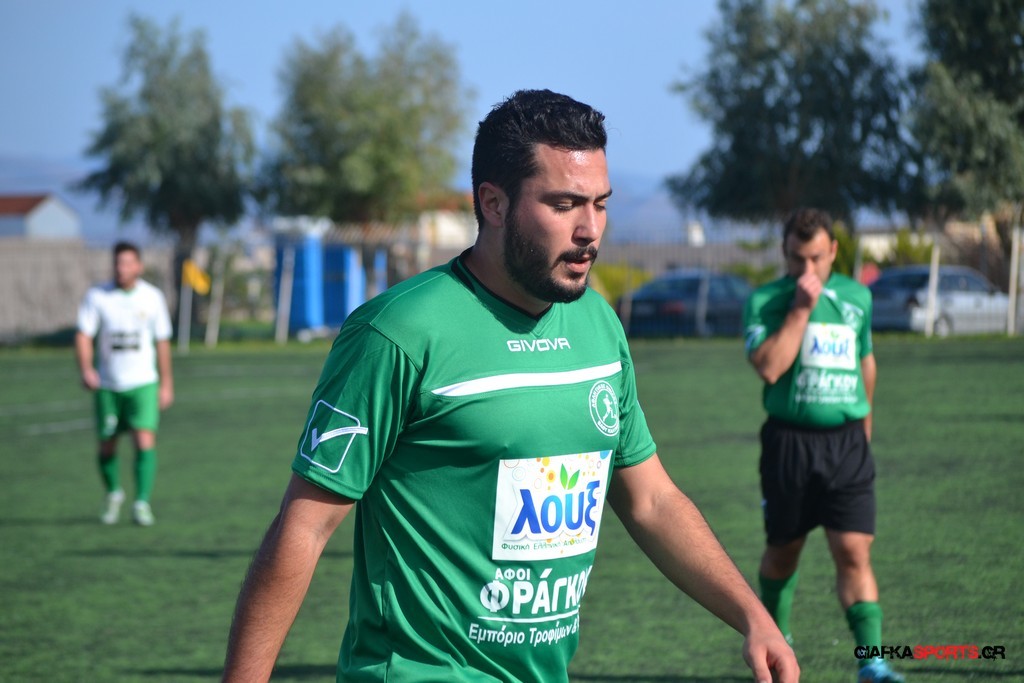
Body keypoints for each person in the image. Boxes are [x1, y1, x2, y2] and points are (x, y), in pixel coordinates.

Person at [223, 89, 798, 683]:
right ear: (493, 203)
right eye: (564, 204)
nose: (589, 229)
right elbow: (305, 526)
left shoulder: (598, 326)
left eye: (600, 204)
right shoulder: (397, 332)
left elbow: (651, 500)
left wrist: (752, 616)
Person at [742, 208, 903, 683]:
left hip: (847, 445)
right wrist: (800, 309)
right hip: (789, 446)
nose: (807, 269)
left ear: (833, 250)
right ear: (784, 253)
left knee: (854, 551)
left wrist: (865, 426)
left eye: (816, 258)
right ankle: (778, 646)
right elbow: (770, 366)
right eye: (797, 258)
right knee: (783, 552)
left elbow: (865, 361)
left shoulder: (857, 298)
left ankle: (872, 662)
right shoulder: (766, 301)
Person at [75, 241, 174, 526]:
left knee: (144, 441)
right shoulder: (98, 296)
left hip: (143, 383)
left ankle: (141, 502)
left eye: (128, 263)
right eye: (118, 263)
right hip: (108, 384)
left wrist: (166, 384)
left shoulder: (152, 297)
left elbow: (162, 342)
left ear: (138, 266)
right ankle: (113, 493)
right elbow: (83, 335)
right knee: (107, 445)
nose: (122, 268)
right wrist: (86, 369)